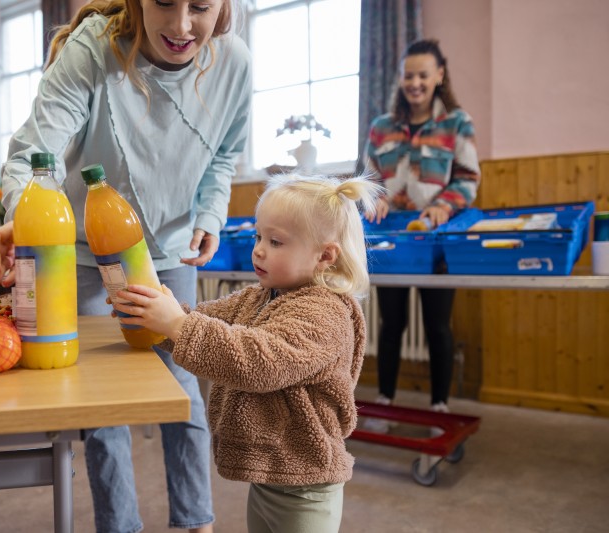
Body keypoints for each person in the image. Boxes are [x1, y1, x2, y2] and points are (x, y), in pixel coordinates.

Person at [0, 0, 252, 531]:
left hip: (170, 250)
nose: (180, 26)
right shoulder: (93, 47)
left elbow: (225, 153)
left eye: (199, 7)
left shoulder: (234, 62)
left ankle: (196, 520)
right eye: (163, 4)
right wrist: (27, 214)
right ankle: (119, 525)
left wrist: (210, 213)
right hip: (83, 248)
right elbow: (32, 152)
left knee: (181, 387)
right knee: (100, 397)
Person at [112, 173, 378, 532]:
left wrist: (176, 325)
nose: (259, 249)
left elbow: (259, 362)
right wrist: (159, 316)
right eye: (258, 236)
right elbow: (206, 322)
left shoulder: (324, 314)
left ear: (325, 256)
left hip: (306, 486)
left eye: (276, 241)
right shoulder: (260, 296)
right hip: (270, 474)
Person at [362, 38, 481, 427]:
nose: (414, 82)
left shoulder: (457, 122)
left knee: (437, 324)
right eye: (408, 75)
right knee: (391, 323)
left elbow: (467, 178)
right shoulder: (381, 128)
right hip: (394, 240)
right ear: (399, 78)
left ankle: (438, 407)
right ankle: (386, 400)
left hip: (437, 237)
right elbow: (369, 179)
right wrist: (375, 197)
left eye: (423, 75)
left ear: (439, 76)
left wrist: (443, 204)